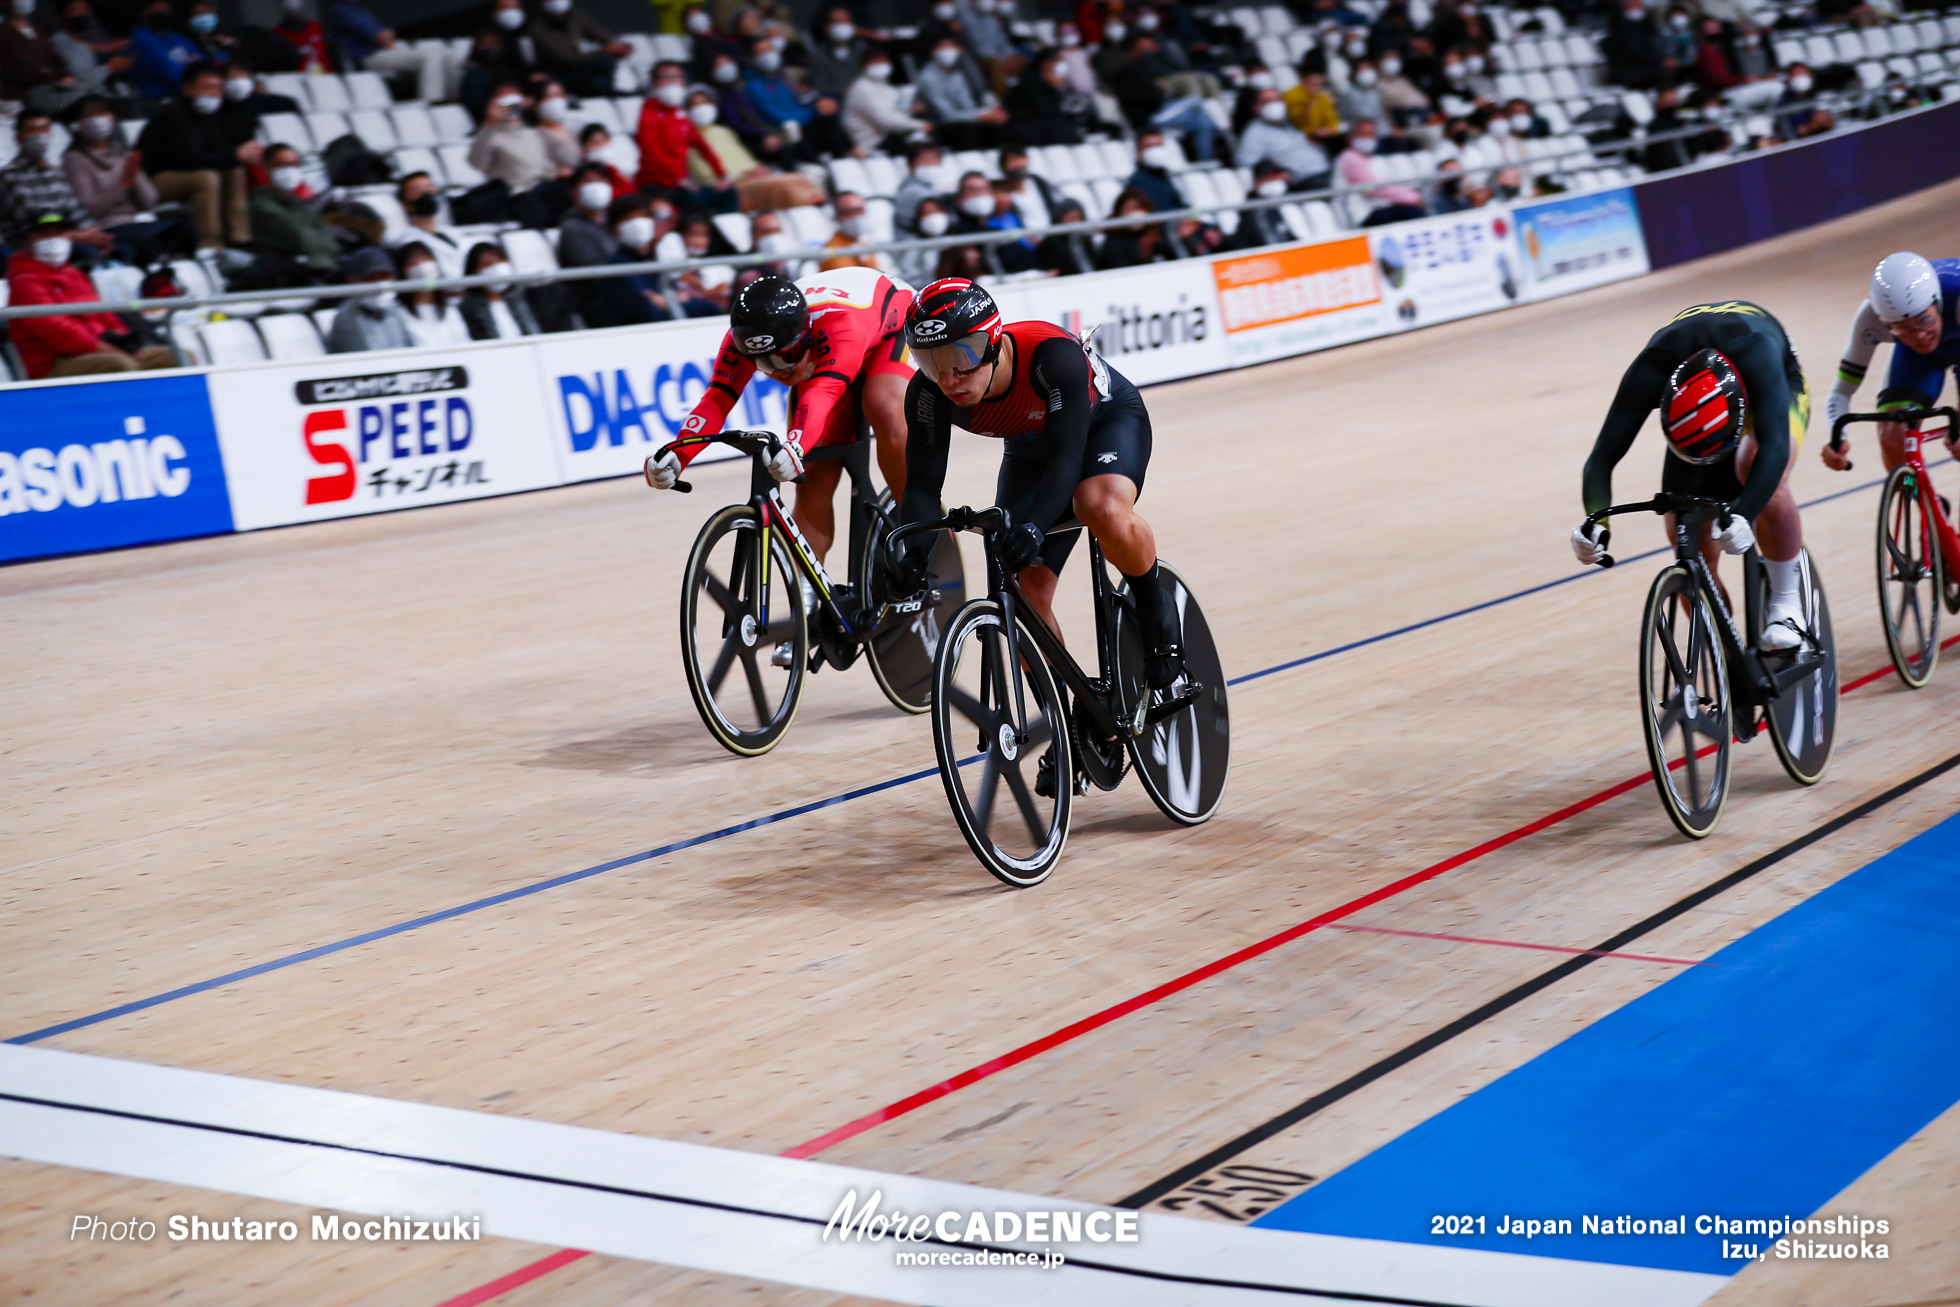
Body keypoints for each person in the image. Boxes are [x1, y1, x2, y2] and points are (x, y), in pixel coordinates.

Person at [891, 277, 1193, 770]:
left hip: (1103, 426)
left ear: (993, 340)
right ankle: (1069, 722)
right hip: (1031, 451)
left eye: (961, 356)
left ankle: (1156, 608)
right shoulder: (927, 394)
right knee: (1023, 598)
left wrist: (1032, 528)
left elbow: (1069, 458)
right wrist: (913, 557)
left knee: (1097, 502)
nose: (949, 377)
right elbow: (922, 488)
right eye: (931, 362)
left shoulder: (1051, 356)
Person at [644, 270, 916, 596]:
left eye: (786, 356)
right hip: (825, 358)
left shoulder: (839, 324)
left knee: (884, 406)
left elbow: (824, 393)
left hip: (889, 327)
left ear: (807, 335)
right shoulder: (745, 338)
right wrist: (677, 452)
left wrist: (795, 445)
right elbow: (716, 399)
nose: (777, 370)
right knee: (813, 475)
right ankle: (808, 595)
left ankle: (919, 524)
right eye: (763, 363)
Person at [1574, 302, 1813, 651]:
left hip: (1774, 376)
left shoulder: (1757, 353)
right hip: (1699, 406)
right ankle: (1726, 655)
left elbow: (1776, 447)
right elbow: (1600, 460)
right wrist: (1597, 522)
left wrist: (1744, 514)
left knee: (1757, 464)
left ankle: (1787, 606)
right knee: (1685, 535)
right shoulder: (1652, 368)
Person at [1821, 253, 1960, 479]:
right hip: (1917, 357)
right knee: (1891, 436)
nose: (1920, 335)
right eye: (1903, 328)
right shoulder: (1870, 318)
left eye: (1925, 320)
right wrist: (1839, 438)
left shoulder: (1957, 296)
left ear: (1938, 302)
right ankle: (1924, 500)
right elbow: (1841, 390)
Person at [6, 212, 177, 378]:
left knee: (177, 356)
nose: (54, 241)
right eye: (44, 235)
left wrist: (126, 343)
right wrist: (109, 349)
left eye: (61, 234)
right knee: (119, 365)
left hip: (101, 349)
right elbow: (58, 332)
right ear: (25, 242)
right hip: (55, 363)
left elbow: (104, 314)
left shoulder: (75, 274)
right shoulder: (24, 283)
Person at [138, 62, 261, 250]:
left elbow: (218, 150)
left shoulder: (208, 113)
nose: (214, 94)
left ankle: (239, 237)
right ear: (187, 88)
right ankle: (209, 243)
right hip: (151, 181)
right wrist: (235, 154)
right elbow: (189, 159)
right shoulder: (174, 113)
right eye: (207, 87)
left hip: (185, 172)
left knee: (234, 169)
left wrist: (237, 155)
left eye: (218, 88)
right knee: (206, 178)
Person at [0, 111, 111, 258]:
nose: (39, 135)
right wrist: (75, 235)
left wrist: (93, 233)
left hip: (66, 239)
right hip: (30, 244)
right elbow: (37, 219)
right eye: (32, 130)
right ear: (19, 138)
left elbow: (75, 210)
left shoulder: (55, 172)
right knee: (87, 254)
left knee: (116, 250)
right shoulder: (9, 176)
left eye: (44, 129)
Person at [635, 61, 730, 202]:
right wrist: (678, 179)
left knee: (729, 192)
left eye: (677, 77)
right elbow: (650, 150)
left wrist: (722, 175)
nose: (673, 81)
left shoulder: (679, 113)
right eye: (667, 77)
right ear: (655, 84)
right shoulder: (649, 112)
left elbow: (702, 146)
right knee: (695, 200)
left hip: (680, 182)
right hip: (658, 184)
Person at [248, 142, 340, 277]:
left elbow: (330, 239)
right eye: (282, 165)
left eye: (294, 165)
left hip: (316, 265)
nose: (289, 171)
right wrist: (322, 246)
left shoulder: (299, 204)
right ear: (266, 168)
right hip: (285, 271)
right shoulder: (260, 204)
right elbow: (301, 238)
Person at [331, 0, 452, 102]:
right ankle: (432, 102)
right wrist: (386, 35)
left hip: (382, 53)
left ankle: (452, 99)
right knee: (431, 56)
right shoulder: (343, 10)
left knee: (445, 52)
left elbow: (385, 37)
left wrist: (387, 36)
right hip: (369, 58)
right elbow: (381, 38)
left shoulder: (359, 9)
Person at [469, 83, 578, 193]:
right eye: (503, 96)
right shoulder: (490, 135)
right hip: (518, 195)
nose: (509, 101)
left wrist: (557, 173)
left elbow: (545, 166)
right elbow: (477, 163)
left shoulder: (532, 132)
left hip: (546, 188)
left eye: (513, 94)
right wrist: (489, 123)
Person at [528, 0, 632, 99]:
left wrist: (617, 46)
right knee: (604, 60)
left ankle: (606, 94)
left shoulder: (575, 16)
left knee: (598, 83)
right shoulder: (538, 29)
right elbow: (567, 58)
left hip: (584, 71)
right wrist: (603, 51)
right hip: (561, 73)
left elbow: (599, 34)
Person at [328, 245, 416, 352]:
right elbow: (366, 362)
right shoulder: (346, 318)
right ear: (352, 280)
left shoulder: (395, 309)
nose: (379, 286)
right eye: (371, 278)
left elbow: (410, 347)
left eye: (384, 277)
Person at [1238, 89, 1331, 190]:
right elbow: (1245, 164)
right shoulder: (1254, 133)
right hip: (1304, 179)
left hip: (1326, 169)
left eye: (1277, 100)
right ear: (1255, 107)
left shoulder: (1291, 122)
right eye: (1267, 102)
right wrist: (1272, 174)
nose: (1274, 105)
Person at [843, 47, 929, 154]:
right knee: (917, 139)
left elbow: (892, 115)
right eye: (875, 62)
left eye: (883, 61)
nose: (880, 65)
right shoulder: (861, 88)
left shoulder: (888, 89)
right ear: (863, 66)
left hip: (887, 137)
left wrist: (910, 112)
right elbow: (884, 120)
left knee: (924, 135)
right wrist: (919, 124)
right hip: (869, 144)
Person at [1338, 118, 1423, 225]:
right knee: (1410, 212)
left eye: (1371, 134)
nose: (1368, 138)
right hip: (1363, 214)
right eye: (1363, 134)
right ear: (1350, 138)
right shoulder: (1349, 158)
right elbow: (1372, 189)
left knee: (1409, 211)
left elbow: (1388, 184)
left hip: (1380, 208)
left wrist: (1411, 195)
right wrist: (1410, 197)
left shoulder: (1371, 159)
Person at [459, 240, 542, 339]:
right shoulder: (469, 308)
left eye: (499, 261)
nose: (496, 268)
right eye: (487, 264)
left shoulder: (523, 297)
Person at [395, 240, 471, 347]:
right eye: (413, 263)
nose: (421, 267)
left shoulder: (450, 308)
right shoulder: (399, 314)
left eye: (425, 259)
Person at [48, 0, 130, 99]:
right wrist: (109, 67)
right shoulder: (59, 42)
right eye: (76, 10)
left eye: (85, 10)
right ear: (61, 16)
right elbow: (79, 81)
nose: (83, 14)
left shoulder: (83, 45)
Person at [391, 170, 465, 279]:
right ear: (405, 204)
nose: (427, 192)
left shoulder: (453, 233)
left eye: (429, 187)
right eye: (418, 190)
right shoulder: (409, 242)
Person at [1228, 161, 1296, 249]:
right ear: (1258, 181)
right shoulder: (1252, 209)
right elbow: (1269, 243)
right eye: (1273, 177)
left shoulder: (1279, 207)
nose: (1278, 182)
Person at [817, 190, 883, 271]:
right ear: (835, 216)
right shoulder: (834, 250)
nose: (856, 217)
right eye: (848, 212)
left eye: (859, 210)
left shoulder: (861, 243)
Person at [894, 140, 945, 232]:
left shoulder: (930, 187)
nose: (930, 165)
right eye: (925, 160)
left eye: (934, 160)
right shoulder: (910, 191)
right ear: (910, 164)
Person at [271, 0, 333, 73]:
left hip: (329, 79)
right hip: (298, 81)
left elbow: (334, 53)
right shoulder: (277, 35)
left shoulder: (318, 28)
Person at [1777, 64, 1832, 140]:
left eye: (1804, 73)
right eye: (1797, 74)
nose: (1801, 77)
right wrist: (1813, 125)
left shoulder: (1820, 96)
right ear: (1789, 79)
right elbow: (1790, 134)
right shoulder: (1784, 104)